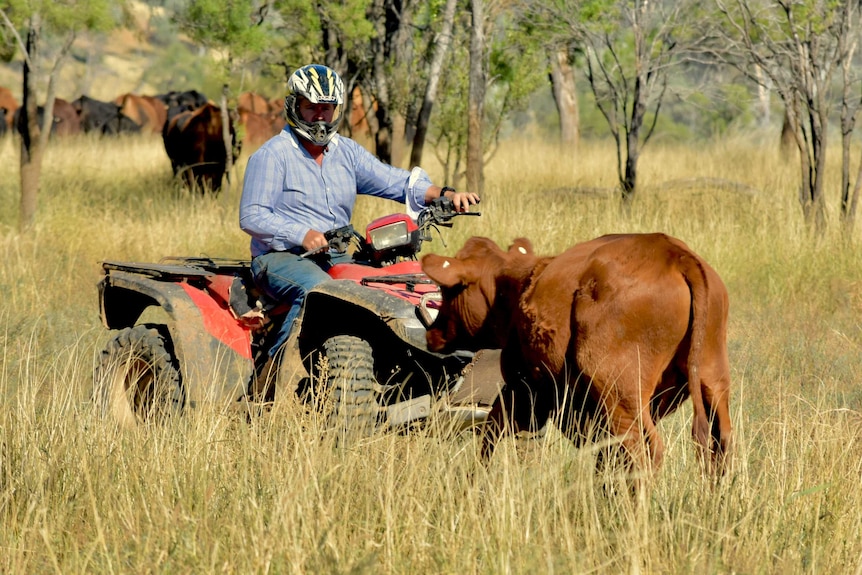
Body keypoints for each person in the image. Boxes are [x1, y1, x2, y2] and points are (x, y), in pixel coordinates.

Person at [239, 64, 480, 398]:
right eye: (311, 107)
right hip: (280, 257)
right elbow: (252, 215)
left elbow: (393, 180)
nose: (320, 116)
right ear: (294, 106)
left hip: (333, 253)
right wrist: (301, 233)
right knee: (318, 291)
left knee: (391, 285)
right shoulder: (273, 155)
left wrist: (445, 195)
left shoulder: (345, 152)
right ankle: (273, 385)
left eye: (327, 107)